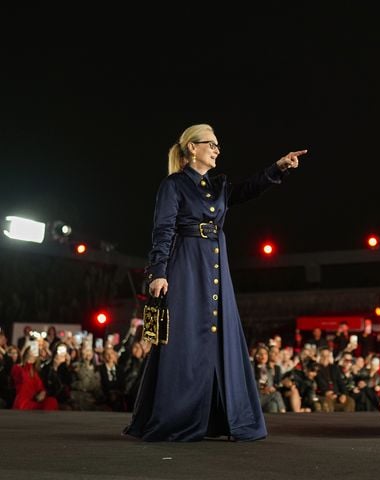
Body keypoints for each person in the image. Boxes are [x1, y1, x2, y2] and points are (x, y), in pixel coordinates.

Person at [124, 123, 307, 441]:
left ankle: (219, 418)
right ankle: (177, 417)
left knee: (218, 337)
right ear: (192, 148)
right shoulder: (174, 185)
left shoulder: (220, 184)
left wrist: (278, 167)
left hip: (216, 267)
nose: (217, 150)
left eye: (218, 145)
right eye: (212, 144)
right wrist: (158, 273)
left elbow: (248, 189)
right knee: (186, 339)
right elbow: (163, 230)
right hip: (187, 267)